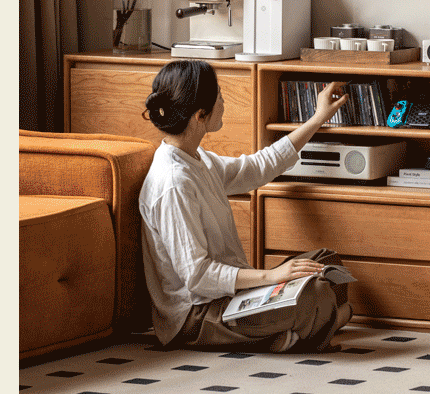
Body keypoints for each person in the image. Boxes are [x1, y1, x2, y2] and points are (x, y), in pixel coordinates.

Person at [139, 58, 351, 352]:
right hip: (199, 314)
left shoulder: (198, 159)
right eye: (220, 95)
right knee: (315, 291)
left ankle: (299, 332)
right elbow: (197, 276)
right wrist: (271, 276)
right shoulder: (174, 183)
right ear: (201, 115)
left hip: (231, 295)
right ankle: (304, 330)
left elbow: (257, 168)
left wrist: (317, 118)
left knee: (326, 263)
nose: (224, 101)